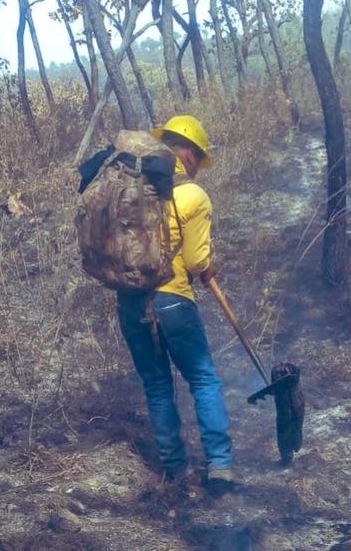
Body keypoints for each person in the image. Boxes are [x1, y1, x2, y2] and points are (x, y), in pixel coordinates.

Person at [115, 115, 237, 488]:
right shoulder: (193, 196)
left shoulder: (131, 191)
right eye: (199, 158)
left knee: (156, 385)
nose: (198, 167)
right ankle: (219, 465)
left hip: (131, 303)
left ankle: (175, 469)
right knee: (202, 379)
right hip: (172, 301)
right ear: (187, 152)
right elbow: (197, 262)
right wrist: (208, 266)